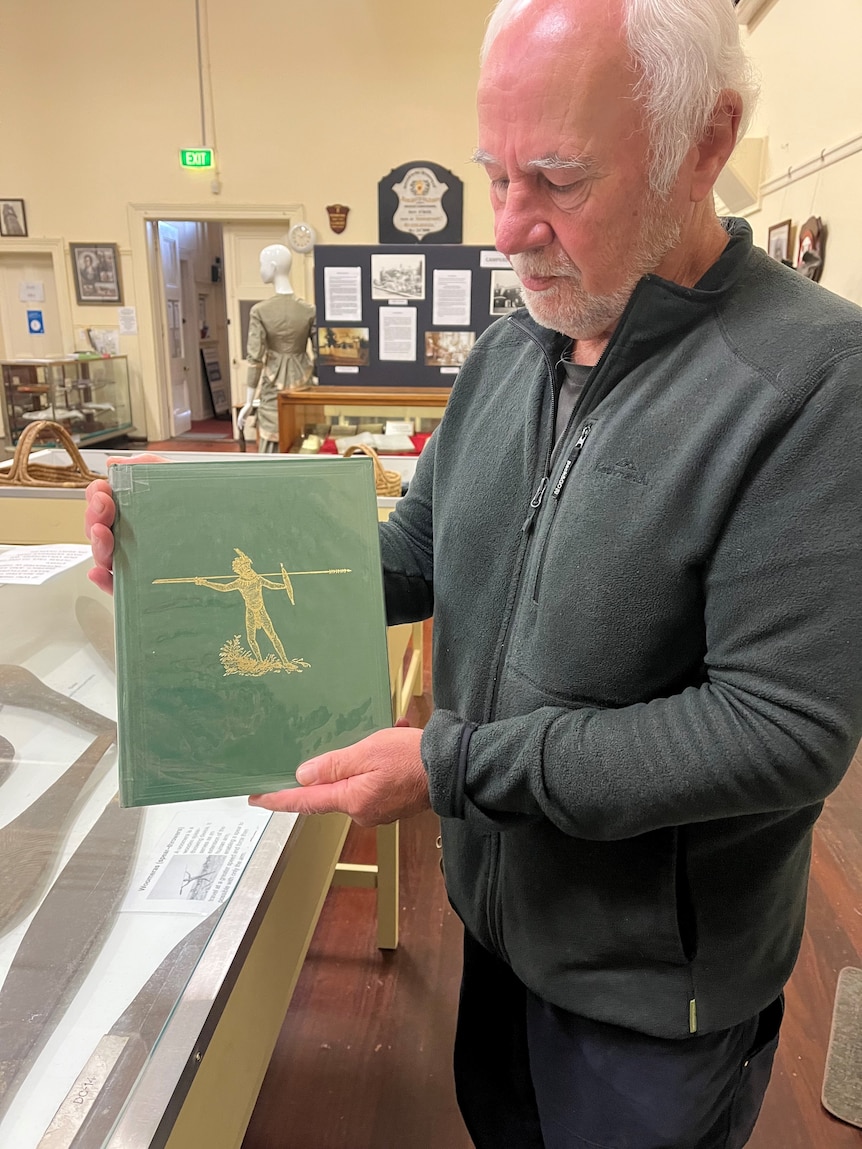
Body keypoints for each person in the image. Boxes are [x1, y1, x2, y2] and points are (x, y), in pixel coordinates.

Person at [86, 1, 862, 1145]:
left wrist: (455, 766)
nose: (507, 228)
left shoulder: (814, 382)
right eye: (493, 174)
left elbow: (780, 730)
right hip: (496, 929)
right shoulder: (517, 347)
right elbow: (412, 554)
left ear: (703, 144)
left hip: (651, 999)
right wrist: (189, 542)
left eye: (555, 178)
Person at [236, 244, 316, 452]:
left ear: (272, 267)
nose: (260, 270)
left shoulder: (260, 311)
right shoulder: (308, 310)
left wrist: (248, 402)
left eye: (262, 265)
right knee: (305, 439)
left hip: (273, 384)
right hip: (304, 381)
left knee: (273, 444)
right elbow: (319, 356)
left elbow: (255, 359)